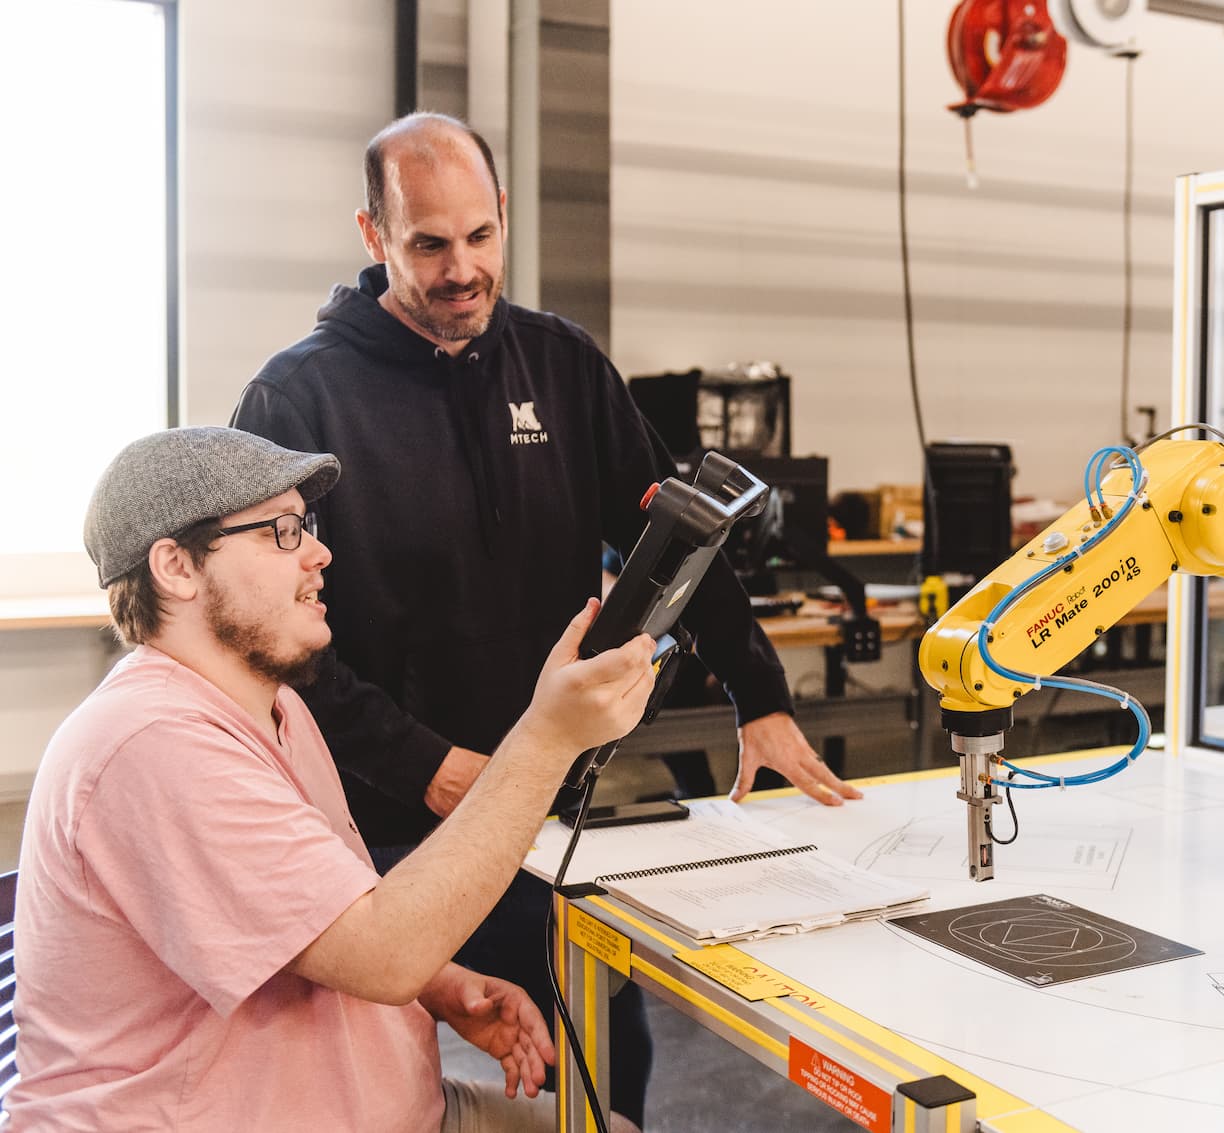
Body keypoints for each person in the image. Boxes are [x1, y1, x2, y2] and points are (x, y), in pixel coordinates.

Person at [229, 111, 860, 1123]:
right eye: (428, 243)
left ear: (504, 218)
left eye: (480, 237)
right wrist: (424, 765)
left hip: (543, 802)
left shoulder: (560, 365)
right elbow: (273, 644)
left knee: (605, 1022)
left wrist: (760, 693)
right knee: (375, 1050)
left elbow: (675, 527)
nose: (460, 269)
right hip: (373, 824)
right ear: (371, 234)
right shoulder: (298, 401)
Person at [11, 426, 657, 1132]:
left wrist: (441, 985)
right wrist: (548, 738)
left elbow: (310, 914)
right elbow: (385, 951)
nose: (320, 553)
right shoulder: (153, 743)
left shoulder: (275, 703)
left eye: (307, 527)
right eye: (282, 531)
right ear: (176, 566)